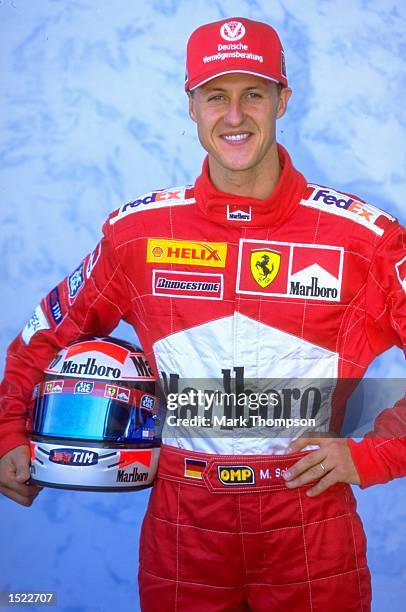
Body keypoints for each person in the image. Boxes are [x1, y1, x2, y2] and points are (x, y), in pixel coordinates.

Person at [0, 15, 405, 611]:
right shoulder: (138, 234)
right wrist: (11, 430)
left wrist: (375, 453)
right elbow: (42, 335)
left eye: (253, 95)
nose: (234, 116)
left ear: (283, 100)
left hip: (309, 526)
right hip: (181, 528)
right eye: (217, 96)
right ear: (192, 106)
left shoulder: (363, 239)